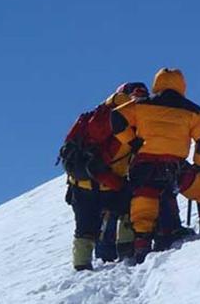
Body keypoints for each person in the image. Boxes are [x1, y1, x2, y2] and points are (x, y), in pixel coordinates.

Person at [112, 68, 200, 264]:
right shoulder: (194, 111)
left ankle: (141, 249)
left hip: (143, 166)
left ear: (157, 82)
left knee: (144, 205)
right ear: (182, 85)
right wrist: (199, 166)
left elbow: (116, 119)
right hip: (175, 167)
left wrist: (133, 142)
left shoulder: (140, 105)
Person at [59, 81, 148, 271]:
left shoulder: (92, 117)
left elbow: (68, 146)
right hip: (109, 183)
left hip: (79, 184)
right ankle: (127, 253)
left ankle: (81, 269)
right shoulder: (129, 118)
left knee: (84, 230)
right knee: (129, 208)